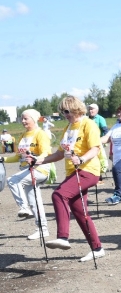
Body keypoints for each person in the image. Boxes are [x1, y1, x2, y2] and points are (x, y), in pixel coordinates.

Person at [32, 96, 106, 262]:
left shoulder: (89, 124)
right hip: (72, 173)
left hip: (88, 170)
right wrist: (38, 160)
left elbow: (95, 148)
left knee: (58, 195)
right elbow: (59, 154)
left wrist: (81, 159)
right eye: (62, 111)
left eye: (66, 111)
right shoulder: (67, 128)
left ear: (75, 109)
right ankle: (97, 248)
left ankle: (63, 237)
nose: (64, 114)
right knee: (80, 211)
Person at [2, 109, 52, 240]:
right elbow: (19, 156)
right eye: (22, 119)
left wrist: (36, 159)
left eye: (26, 119)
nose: (23, 121)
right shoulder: (23, 135)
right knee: (35, 201)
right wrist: (3, 159)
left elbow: (46, 152)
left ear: (34, 119)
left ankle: (24, 208)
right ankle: (42, 229)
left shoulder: (41, 134)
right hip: (27, 170)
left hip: (40, 169)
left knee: (13, 180)